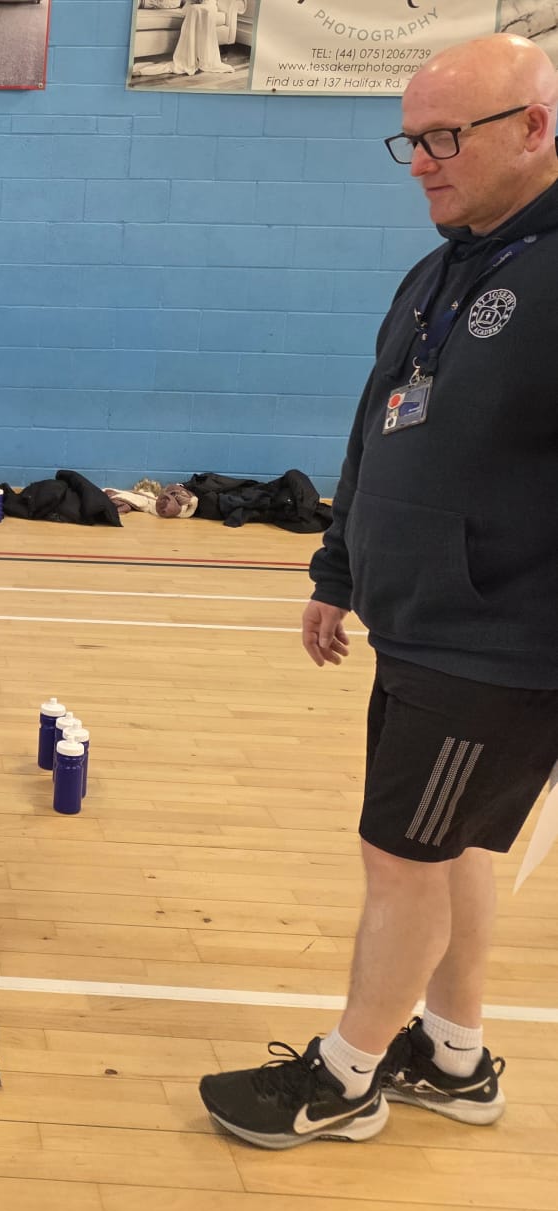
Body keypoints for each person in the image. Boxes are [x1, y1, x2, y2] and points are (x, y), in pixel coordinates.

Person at [199, 33, 558, 1149]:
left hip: (498, 645)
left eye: (446, 137)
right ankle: (452, 1057)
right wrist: (339, 568)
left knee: (400, 857)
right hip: (421, 625)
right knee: (454, 847)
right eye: (412, 141)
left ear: (534, 127)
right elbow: (379, 424)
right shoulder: (444, 267)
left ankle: (346, 1077)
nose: (422, 163)